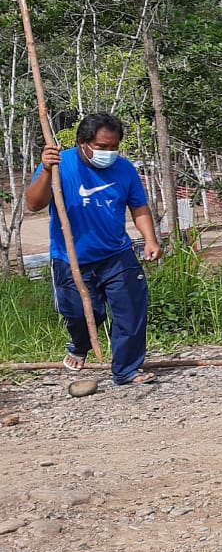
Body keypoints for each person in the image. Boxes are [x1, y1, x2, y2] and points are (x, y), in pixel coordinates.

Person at [26, 112, 163, 386]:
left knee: (131, 311)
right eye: (102, 147)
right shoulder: (59, 164)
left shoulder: (125, 169)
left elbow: (138, 206)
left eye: (114, 147)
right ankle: (80, 344)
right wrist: (45, 170)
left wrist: (150, 239)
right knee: (79, 313)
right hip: (71, 257)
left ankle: (126, 370)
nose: (109, 153)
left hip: (117, 254)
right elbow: (34, 204)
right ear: (82, 142)